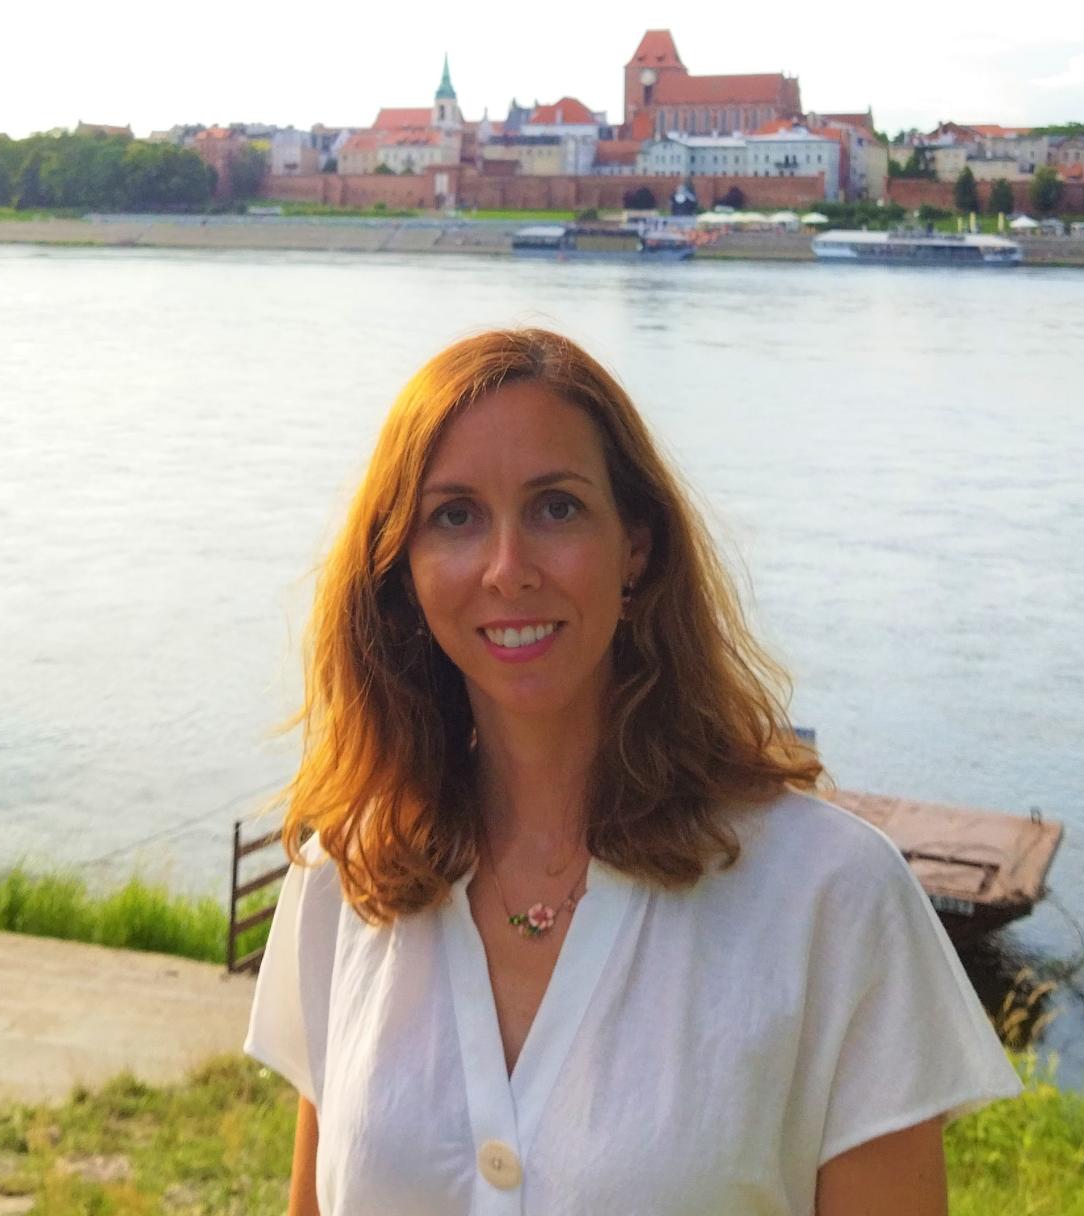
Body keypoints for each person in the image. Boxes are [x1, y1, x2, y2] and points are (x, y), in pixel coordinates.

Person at [244, 328, 1022, 1214]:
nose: (508, 570)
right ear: (403, 567)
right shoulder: (350, 873)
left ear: (637, 547)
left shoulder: (831, 898)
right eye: (455, 516)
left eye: (557, 509)